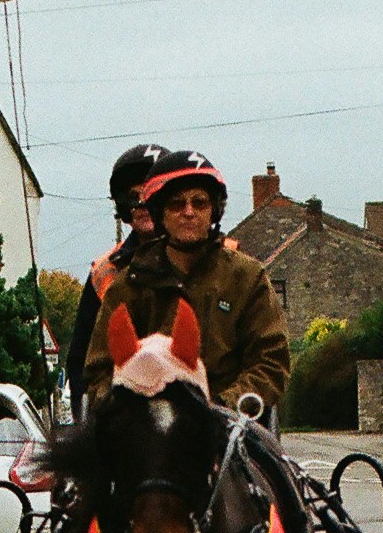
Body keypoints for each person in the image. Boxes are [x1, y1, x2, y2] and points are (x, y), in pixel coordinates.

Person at [87, 150, 291, 414]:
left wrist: (219, 407)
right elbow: (99, 370)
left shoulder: (246, 277)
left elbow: (271, 362)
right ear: (160, 214)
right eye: (176, 204)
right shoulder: (129, 284)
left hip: (231, 425)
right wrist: (134, 410)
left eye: (200, 202)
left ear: (214, 211)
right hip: (148, 428)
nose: (188, 212)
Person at [65, 141, 175, 414]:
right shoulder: (105, 272)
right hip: (128, 412)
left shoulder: (217, 259)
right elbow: (81, 361)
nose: (142, 205)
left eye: (152, 194)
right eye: (134, 196)